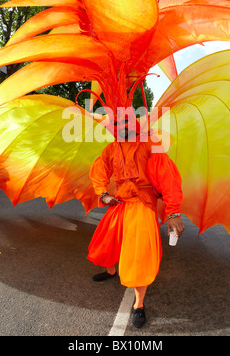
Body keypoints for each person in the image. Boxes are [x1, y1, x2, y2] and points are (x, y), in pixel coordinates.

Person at [87, 113, 184, 329]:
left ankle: (138, 305)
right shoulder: (112, 148)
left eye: (124, 123)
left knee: (139, 253)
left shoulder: (151, 142)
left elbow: (167, 176)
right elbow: (100, 169)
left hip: (143, 203)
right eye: (116, 125)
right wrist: (103, 194)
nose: (120, 128)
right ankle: (112, 271)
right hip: (120, 201)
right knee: (106, 240)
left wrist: (173, 213)